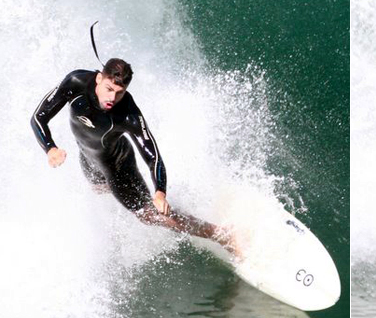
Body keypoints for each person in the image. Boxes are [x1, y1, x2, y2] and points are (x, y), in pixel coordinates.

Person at [31, 59, 233, 252]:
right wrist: (50, 148)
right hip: (88, 158)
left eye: (119, 93)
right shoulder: (76, 82)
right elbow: (38, 117)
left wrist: (160, 192)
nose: (112, 98)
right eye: (109, 89)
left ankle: (223, 235)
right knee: (99, 190)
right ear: (99, 78)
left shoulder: (128, 114)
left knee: (149, 216)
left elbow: (153, 155)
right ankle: (130, 208)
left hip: (116, 165)